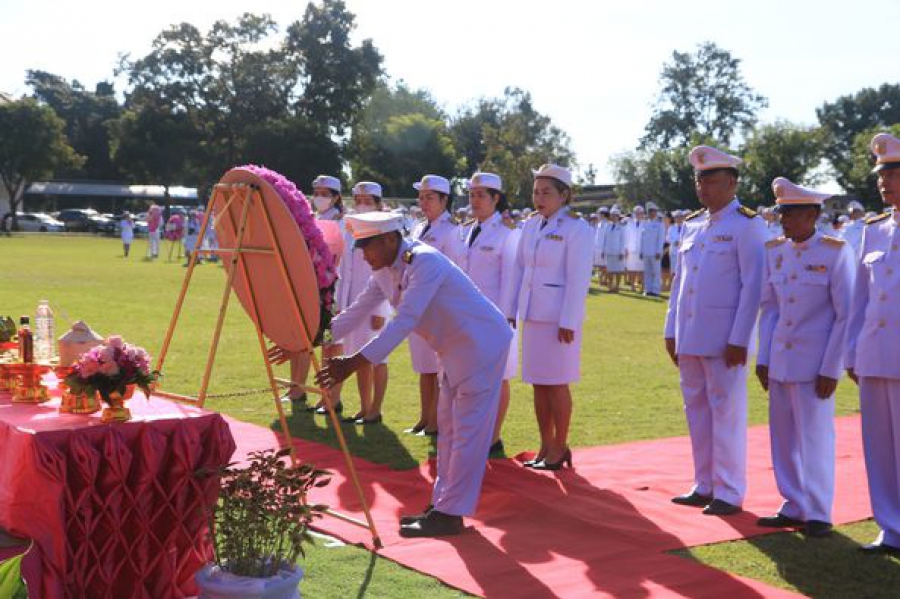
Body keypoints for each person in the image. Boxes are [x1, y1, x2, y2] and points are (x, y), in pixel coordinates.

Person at [316, 211, 512, 537]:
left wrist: (352, 363)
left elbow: (404, 321)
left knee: (466, 434)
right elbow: (358, 311)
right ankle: (443, 506)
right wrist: (313, 338)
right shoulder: (385, 269)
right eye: (361, 247)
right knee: (448, 432)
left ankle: (450, 514)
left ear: (391, 239)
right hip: (452, 348)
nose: (364, 254)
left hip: (480, 345)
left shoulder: (424, 261)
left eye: (369, 246)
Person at [664, 145, 767, 516]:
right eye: (699, 180)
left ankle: (729, 489)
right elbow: (680, 282)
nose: (703, 187)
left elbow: (754, 286)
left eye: (712, 180)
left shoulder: (747, 223)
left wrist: (740, 338)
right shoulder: (691, 224)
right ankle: (704, 482)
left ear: (732, 183)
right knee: (697, 409)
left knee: (727, 412)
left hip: (725, 338)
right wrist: (670, 327)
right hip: (690, 333)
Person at [755, 177, 853, 538]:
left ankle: (818, 510)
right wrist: (763, 357)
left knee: (814, 438)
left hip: (815, 365)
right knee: (782, 437)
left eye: (792, 212)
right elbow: (770, 309)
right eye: (782, 212)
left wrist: (832, 367)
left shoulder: (834, 252)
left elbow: (845, 314)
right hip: (781, 359)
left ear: (813, 214)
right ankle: (792, 503)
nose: (784, 219)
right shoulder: (775, 251)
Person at [516, 164, 594, 470]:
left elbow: (578, 278)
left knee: (557, 383)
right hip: (534, 314)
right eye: (536, 191)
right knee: (538, 383)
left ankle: (560, 445)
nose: (539, 198)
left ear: (564, 195)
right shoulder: (531, 225)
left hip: (559, 318)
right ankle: (545, 444)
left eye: (547, 192)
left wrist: (569, 320)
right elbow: (523, 270)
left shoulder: (577, 228)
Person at [846, 132, 900, 555]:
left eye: (894, 172)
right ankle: (890, 526)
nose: (885, 181)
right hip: (874, 352)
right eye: (882, 174)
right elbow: (859, 300)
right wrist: (851, 351)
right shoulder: (875, 231)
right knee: (879, 445)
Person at [458, 172, 521, 456]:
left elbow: (510, 279)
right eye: (472, 194)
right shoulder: (466, 231)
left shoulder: (507, 234)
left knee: (498, 377)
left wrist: (506, 318)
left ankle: (493, 438)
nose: (475, 200)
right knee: (468, 376)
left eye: (481, 195)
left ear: (496, 199)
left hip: (494, 317)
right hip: (464, 316)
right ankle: (474, 433)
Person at [406, 174, 463, 436]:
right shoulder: (418, 228)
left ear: (444, 200)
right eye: (421, 197)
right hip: (418, 306)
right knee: (423, 367)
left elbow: (454, 273)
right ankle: (424, 417)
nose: (424, 202)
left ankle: (437, 421)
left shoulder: (452, 231)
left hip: (438, 308)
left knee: (439, 369)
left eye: (430, 197)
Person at [334, 181, 392, 425]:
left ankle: (376, 409)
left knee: (378, 358)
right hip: (353, 304)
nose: (362, 205)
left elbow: (389, 272)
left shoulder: (385, 229)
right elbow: (344, 270)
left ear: (378, 203)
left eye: (368, 200)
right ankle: (364, 406)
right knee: (357, 355)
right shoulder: (349, 228)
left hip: (376, 303)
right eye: (358, 200)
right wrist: (341, 304)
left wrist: (383, 309)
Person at [292, 174, 345, 414]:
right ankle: (299, 388)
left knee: (331, 346)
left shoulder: (343, 223)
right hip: (311, 289)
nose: (320, 198)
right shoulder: (311, 220)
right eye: (317, 193)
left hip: (334, 292)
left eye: (326, 194)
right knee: (306, 339)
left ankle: (331, 397)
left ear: (336, 197)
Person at [640, 202, 666, 297]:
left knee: (656, 272)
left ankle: (655, 291)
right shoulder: (645, 224)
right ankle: (648, 290)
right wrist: (641, 251)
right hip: (646, 252)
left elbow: (661, 239)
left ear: (656, 212)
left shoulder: (660, 224)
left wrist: (659, 251)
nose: (651, 213)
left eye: (653, 211)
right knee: (647, 272)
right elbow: (642, 239)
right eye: (650, 211)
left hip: (655, 252)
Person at [602, 207, 627, 293]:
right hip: (609, 251)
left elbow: (623, 240)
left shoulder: (621, 227)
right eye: (612, 215)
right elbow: (604, 239)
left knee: (618, 270)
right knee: (610, 270)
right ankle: (610, 286)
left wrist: (621, 252)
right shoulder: (607, 226)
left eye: (615, 215)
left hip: (618, 252)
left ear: (618, 216)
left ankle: (617, 286)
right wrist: (603, 250)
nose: (613, 217)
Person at [665, 210, 686, 289]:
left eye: (679, 217)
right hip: (673, 251)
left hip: (683, 251)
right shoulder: (671, 228)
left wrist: (681, 242)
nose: (678, 219)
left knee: (682, 270)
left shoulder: (686, 227)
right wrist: (674, 242)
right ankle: (673, 286)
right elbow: (667, 238)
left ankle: (681, 286)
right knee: (673, 270)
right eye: (676, 217)